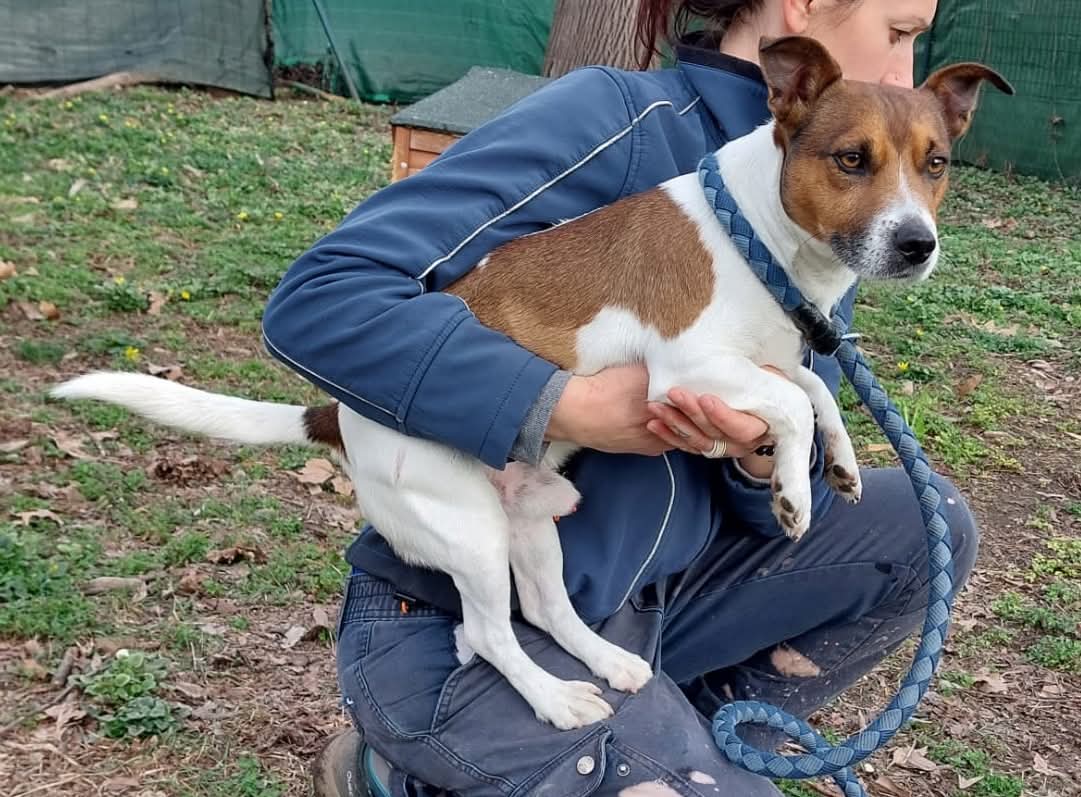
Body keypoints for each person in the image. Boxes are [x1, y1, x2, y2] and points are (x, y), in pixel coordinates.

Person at [261, 1, 978, 794]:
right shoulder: (615, 119)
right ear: (801, 9)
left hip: (660, 605)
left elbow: (771, 511)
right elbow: (320, 300)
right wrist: (560, 404)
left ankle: (686, 741)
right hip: (454, 617)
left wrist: (756, 452)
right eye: (898, 34)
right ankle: (415, 773)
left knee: (930, 526)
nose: (904, 74)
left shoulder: (828, 207)